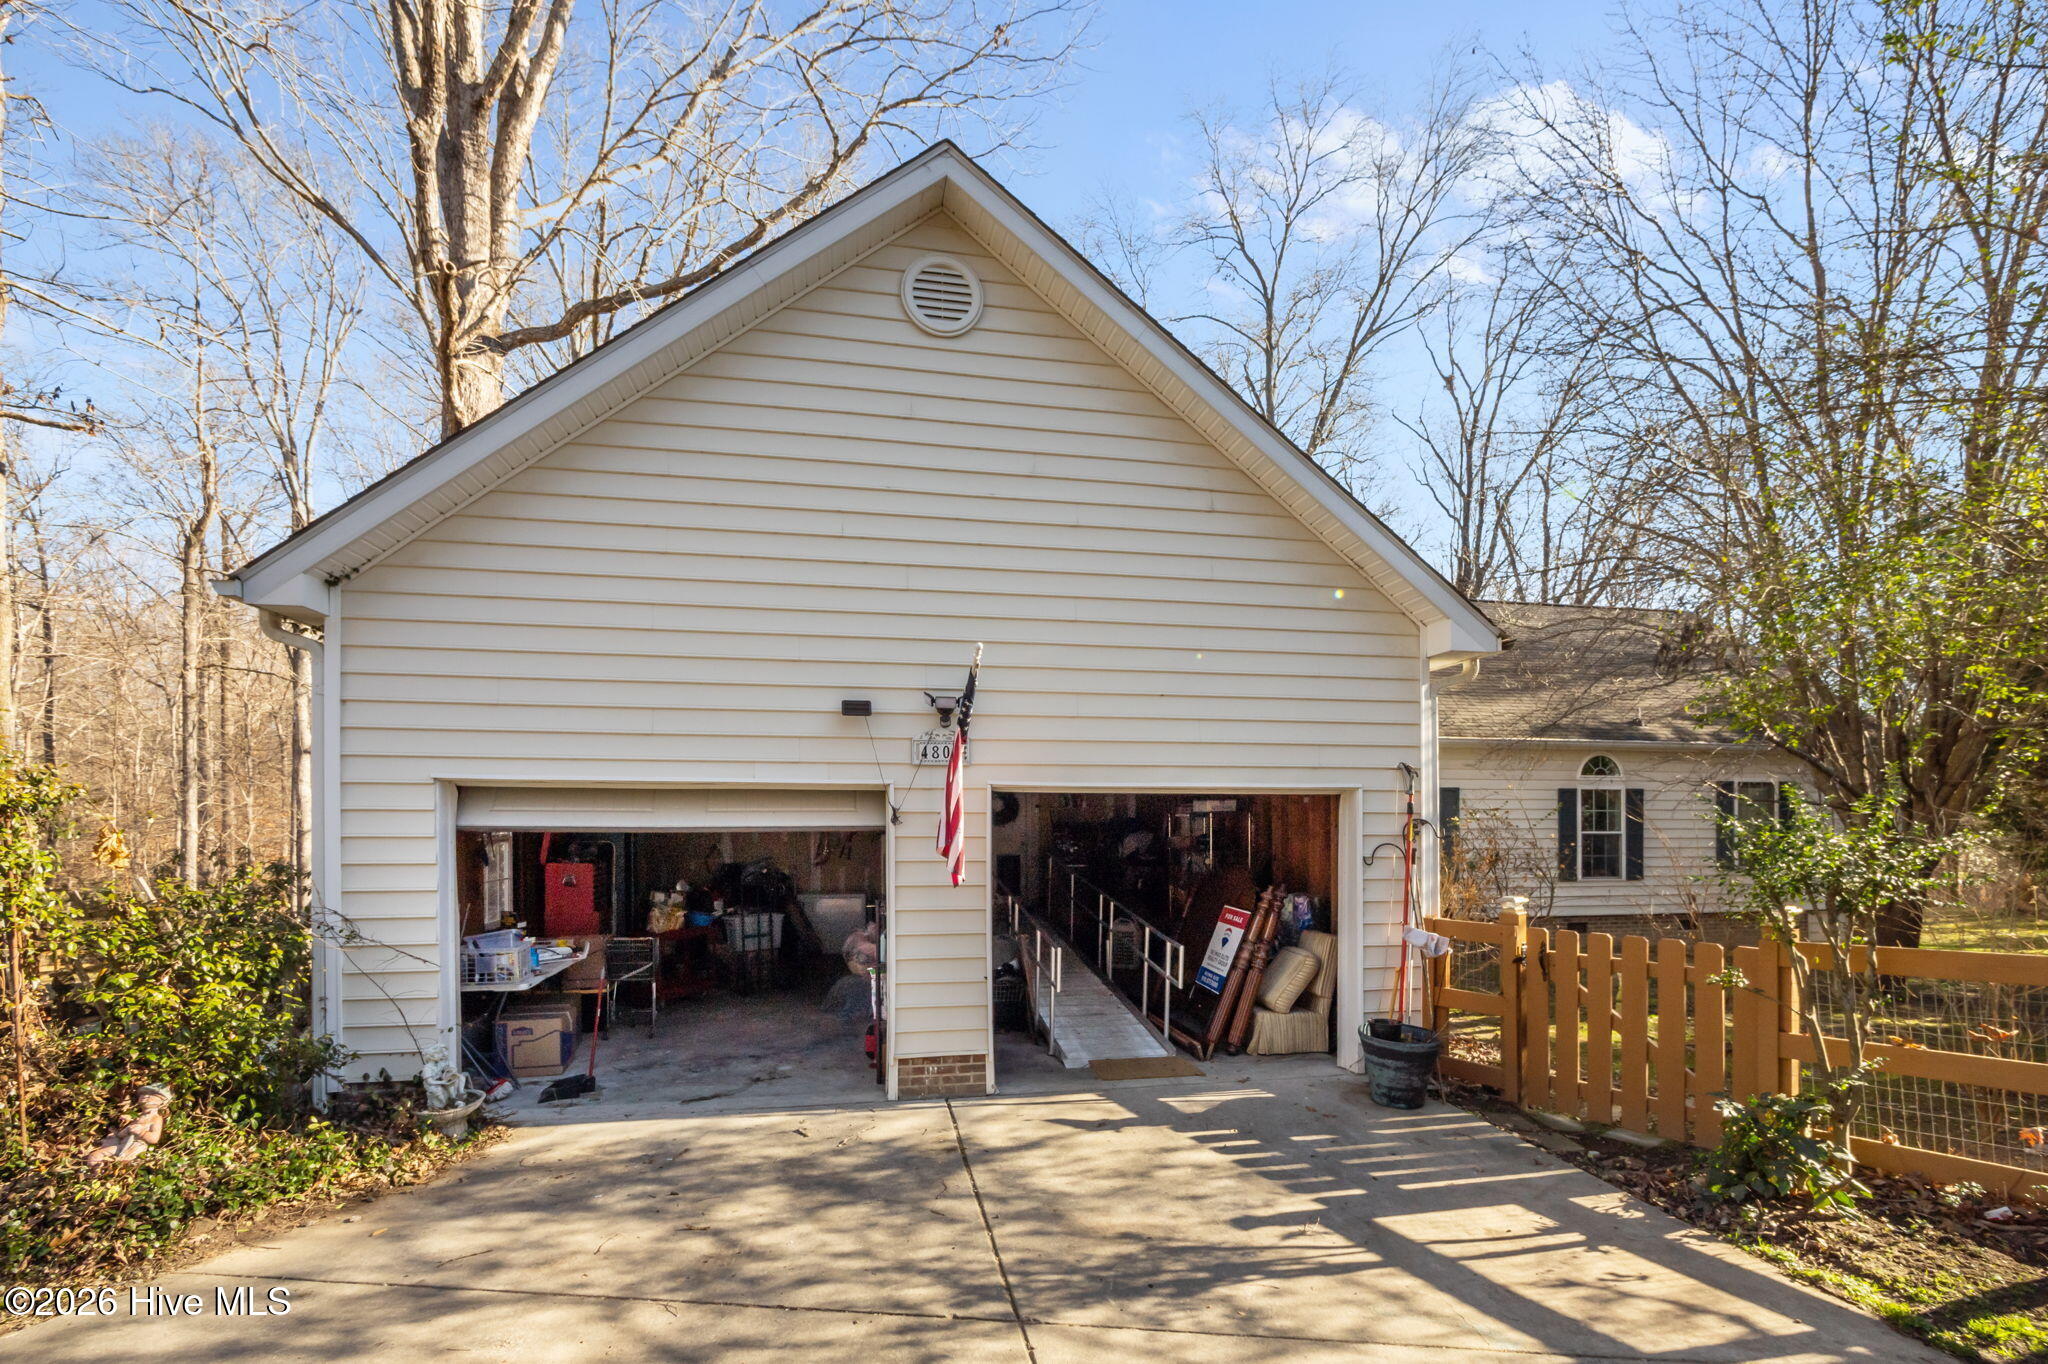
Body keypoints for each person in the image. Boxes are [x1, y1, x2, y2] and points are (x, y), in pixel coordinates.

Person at [85, 1082, 172, 1172]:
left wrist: (141, 1132)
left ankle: (101, 1172)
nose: (145, 1097)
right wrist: (124, 1130)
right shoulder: (137, 1117)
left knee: (120, 1165)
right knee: (95, 1156)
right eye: (143, 1094)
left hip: (135, 1147)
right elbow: (121, 1135)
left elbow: (154, 1139)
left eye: (151, 1095)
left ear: (162, 1102)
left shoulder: (156, 1118)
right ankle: (95, 1173)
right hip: (123, 1145)